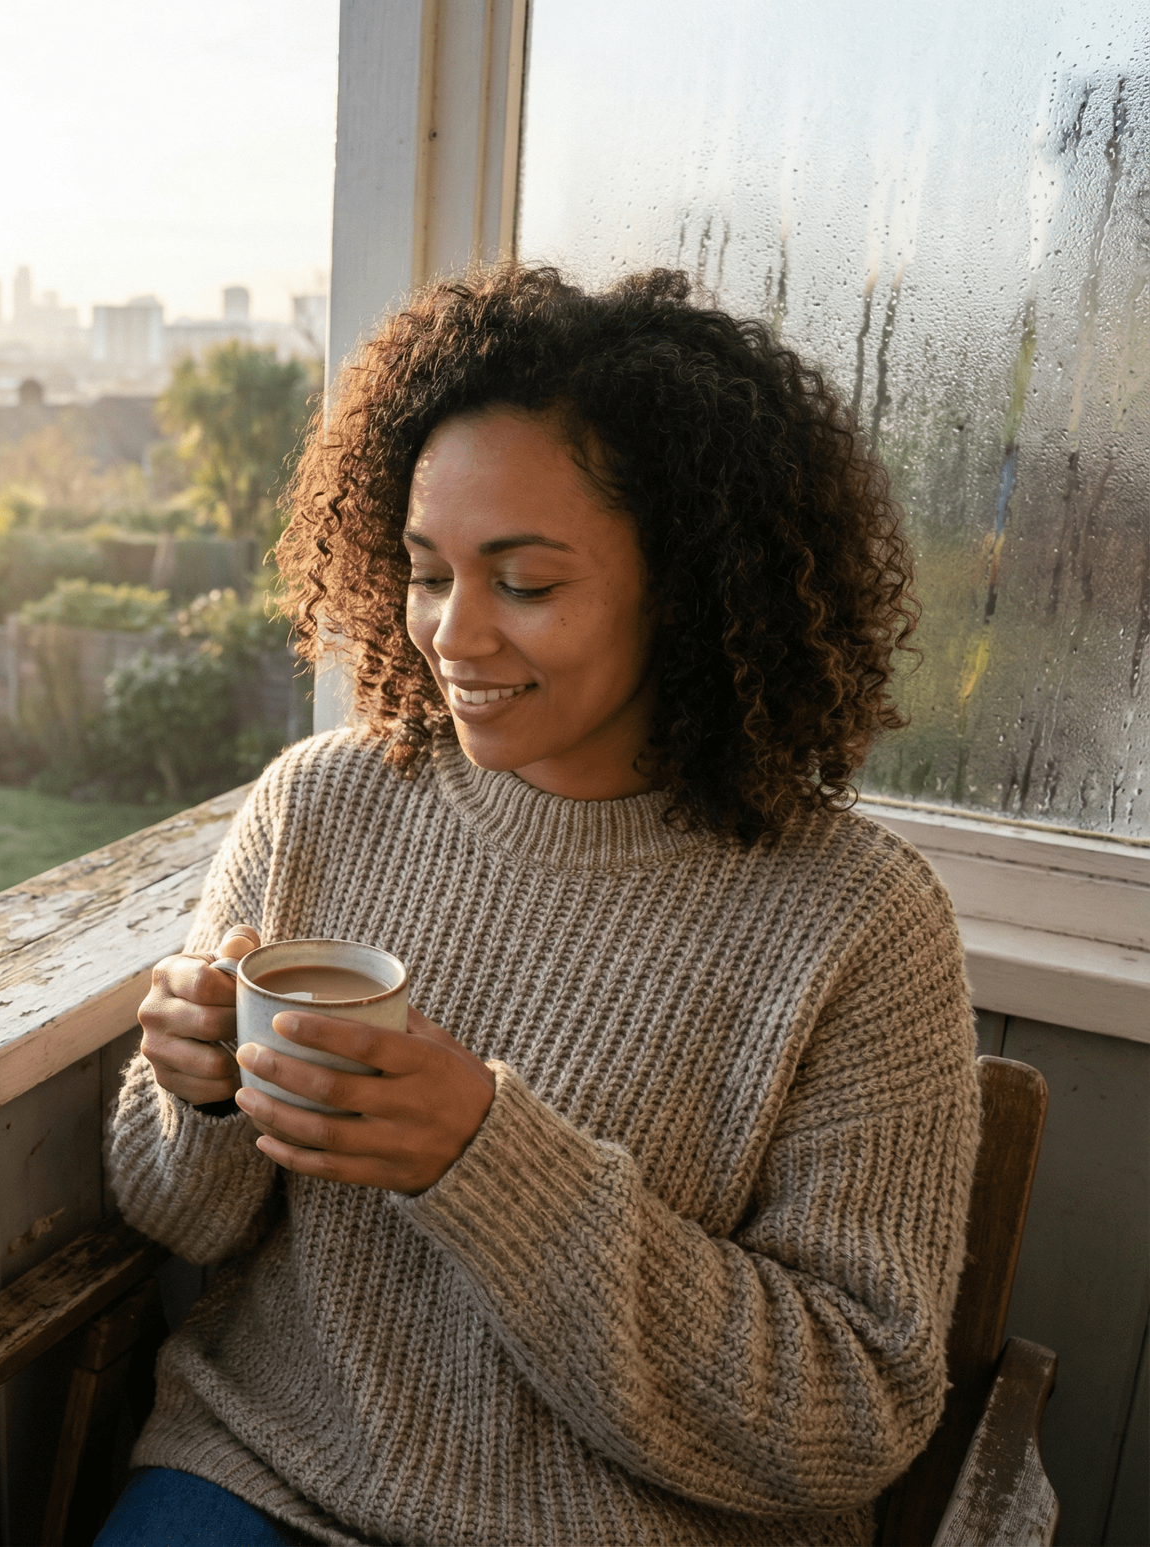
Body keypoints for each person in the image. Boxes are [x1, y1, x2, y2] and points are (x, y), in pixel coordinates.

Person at [96, 266, 980, 1547]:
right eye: (426, 569)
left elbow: (855, 1406)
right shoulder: (321, 806)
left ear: (685, 588)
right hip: (268, 1474)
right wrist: (196, 1088)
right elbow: (176, 1212)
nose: (452, 634)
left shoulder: (857, 923)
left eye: (525, 581)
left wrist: (488, 1161)